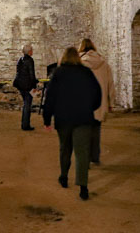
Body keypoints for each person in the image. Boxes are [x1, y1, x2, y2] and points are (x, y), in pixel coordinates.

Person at [42, 46, 102, 200]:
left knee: (65, 148)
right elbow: (97, 94)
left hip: (64, 118)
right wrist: (90, 107)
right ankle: (83, 187)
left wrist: (47, 119)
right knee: (82, 153)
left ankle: (63, 176)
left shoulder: (58, 74)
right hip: (83, 118)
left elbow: (50, 98)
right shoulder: (86, 73)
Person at [79, 38, 113, 165]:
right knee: (96, 129)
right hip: (100, 102)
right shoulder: (103, 63)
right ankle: (95, 156)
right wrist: (111, 103)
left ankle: (85, 159)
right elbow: (110, 84)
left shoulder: (79, 63)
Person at [13, 44, 38, 130]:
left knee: (25, 104)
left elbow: (19, 73)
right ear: (30, 52)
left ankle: (24, 124)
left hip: (20, 85)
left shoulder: (20, 60)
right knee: (27, 105)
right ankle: (25, 125)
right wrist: (35, 86)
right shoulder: (30, 60)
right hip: (28, 86)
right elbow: (31, 74)